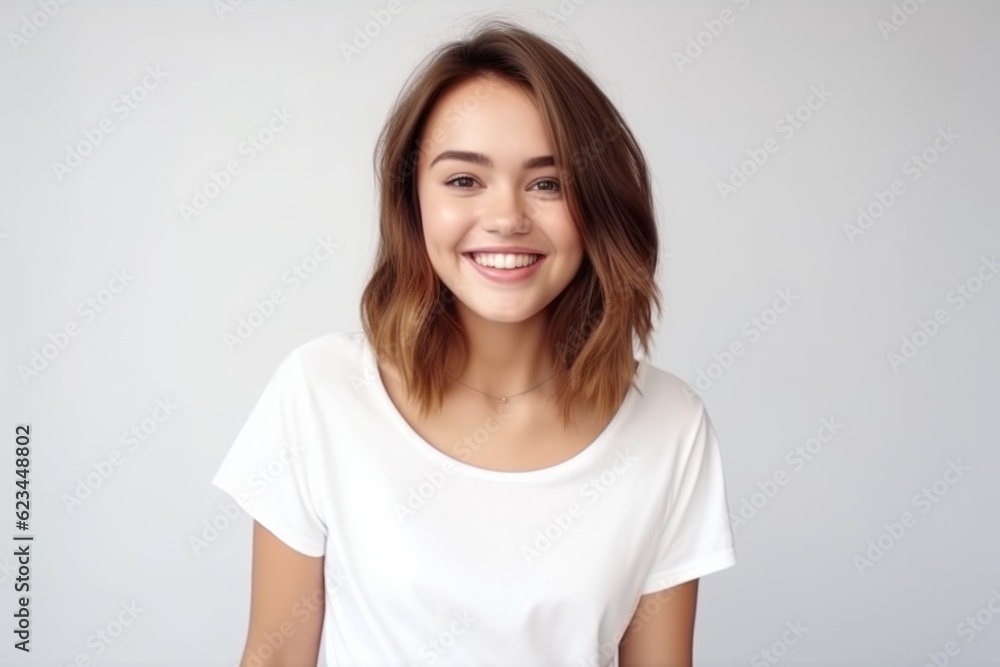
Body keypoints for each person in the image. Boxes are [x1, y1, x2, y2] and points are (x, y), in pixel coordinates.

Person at [212, 16, 737, 667]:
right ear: (414, 202)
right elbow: (274, 656)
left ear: (596, 204)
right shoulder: (318, 393)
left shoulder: (670, 427)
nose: (507, 218)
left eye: (549, 183)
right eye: (464, 180)